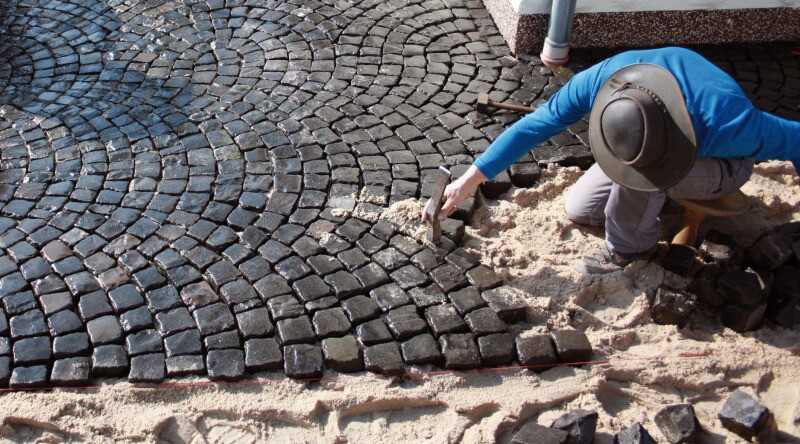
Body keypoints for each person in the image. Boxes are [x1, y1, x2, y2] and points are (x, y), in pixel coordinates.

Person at [426, 47, 800, 275]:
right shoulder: (602, 79)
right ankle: (644, 200)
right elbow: (533, 126)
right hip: (658, 146)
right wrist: (469, 180)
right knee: (579, 208)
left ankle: (630, 249)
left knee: (640, 176)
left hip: (723, 164)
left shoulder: (730, 122)